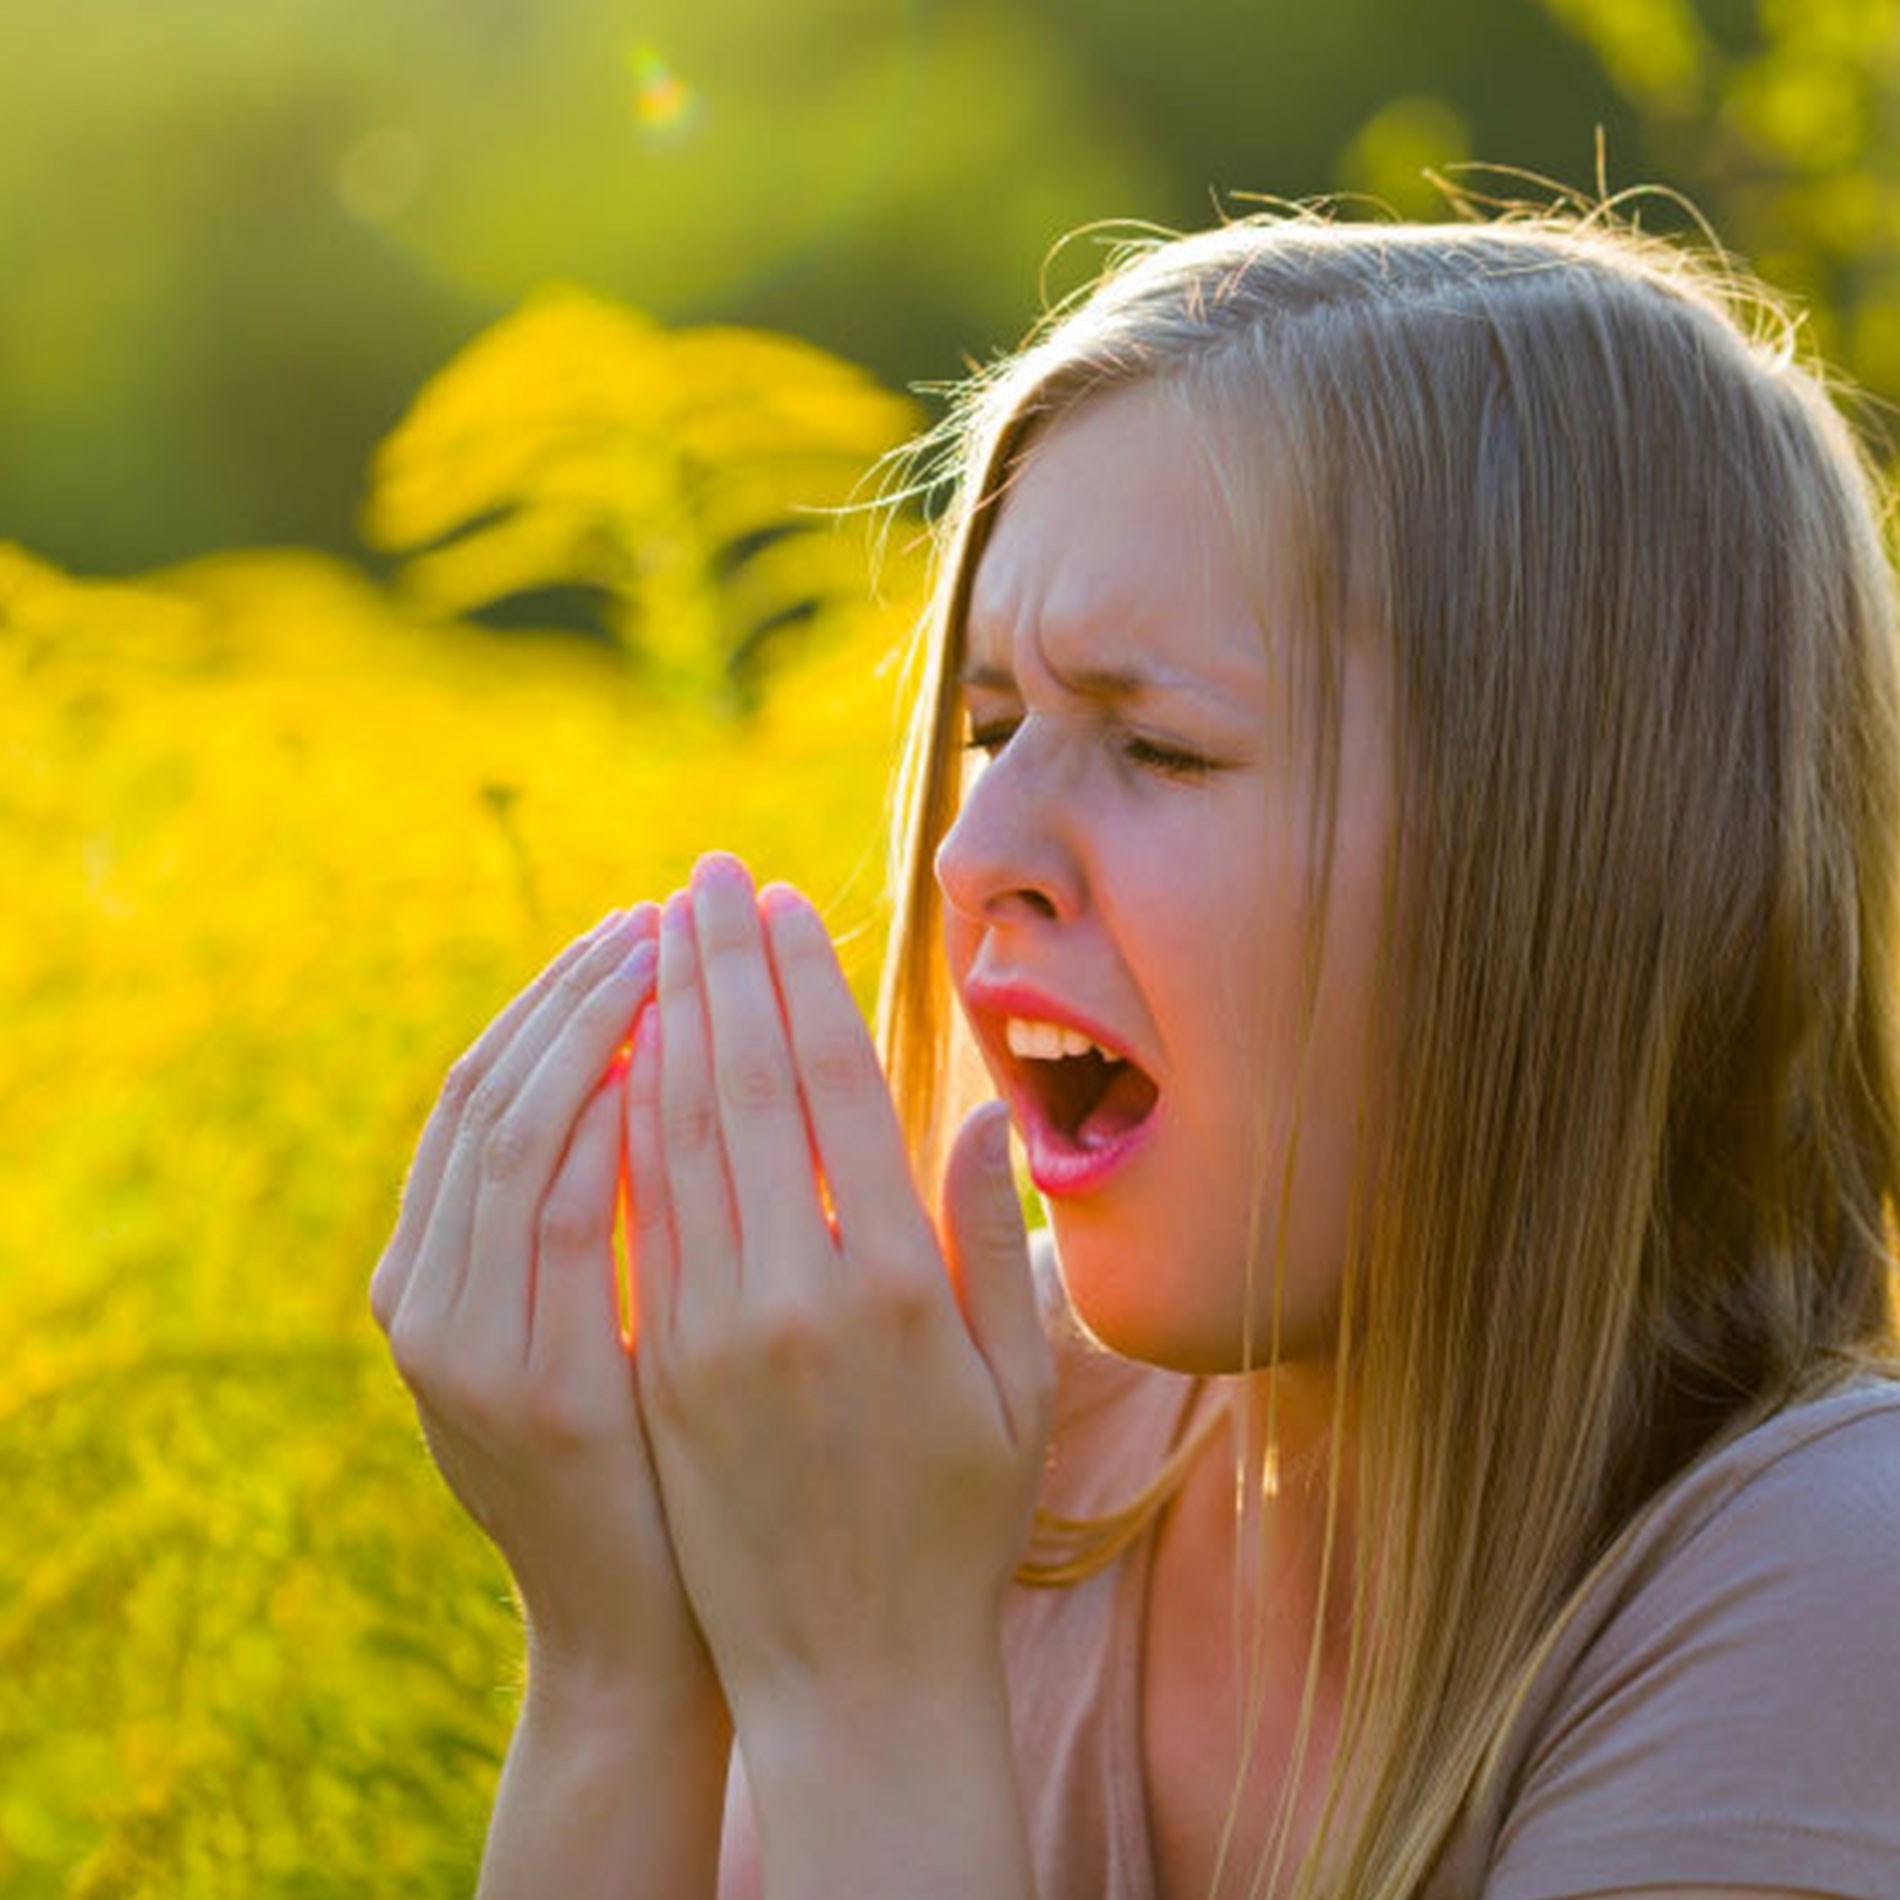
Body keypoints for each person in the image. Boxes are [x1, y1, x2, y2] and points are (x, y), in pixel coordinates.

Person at [368, 205, 1900, 1900]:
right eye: (993, 728)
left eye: (1161, 748)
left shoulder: (1832, 1590)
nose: (972, 852)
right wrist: (620, 1666)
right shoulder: (970, 1445)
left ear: (1598, 864)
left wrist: (864, 1688)